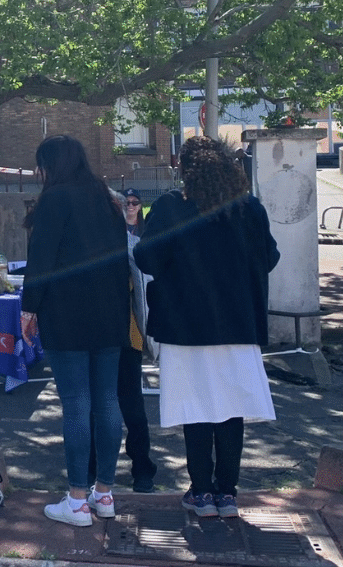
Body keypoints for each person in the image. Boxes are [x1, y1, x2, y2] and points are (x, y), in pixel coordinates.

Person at [134, 136, 279, 518]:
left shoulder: (170, 206)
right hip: (238, 324)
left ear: (185, 169)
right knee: (231, 409)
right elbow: (271, 257)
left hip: (185, 325)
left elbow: (147, 258)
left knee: (195, 407)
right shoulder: (248, 208)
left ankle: (200, 492)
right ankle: (227, 492)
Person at [20, 135, 129, 527]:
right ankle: (105, 493)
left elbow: (42, 258)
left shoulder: (55, 199)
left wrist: (28, 308)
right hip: (111, 314)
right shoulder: (107, 199)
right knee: (107, 402)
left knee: (77, 404)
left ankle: (77, 500)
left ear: (51, 166)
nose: (39, 173)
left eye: (40, 166)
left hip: (66, 314)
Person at [88, 189, 158, 493]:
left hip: (115, 335)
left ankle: (128, 469)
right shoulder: (111, 243)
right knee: (113, 406)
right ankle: (128, 469)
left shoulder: (116, 244)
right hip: (112, 334)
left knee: (117, 406)